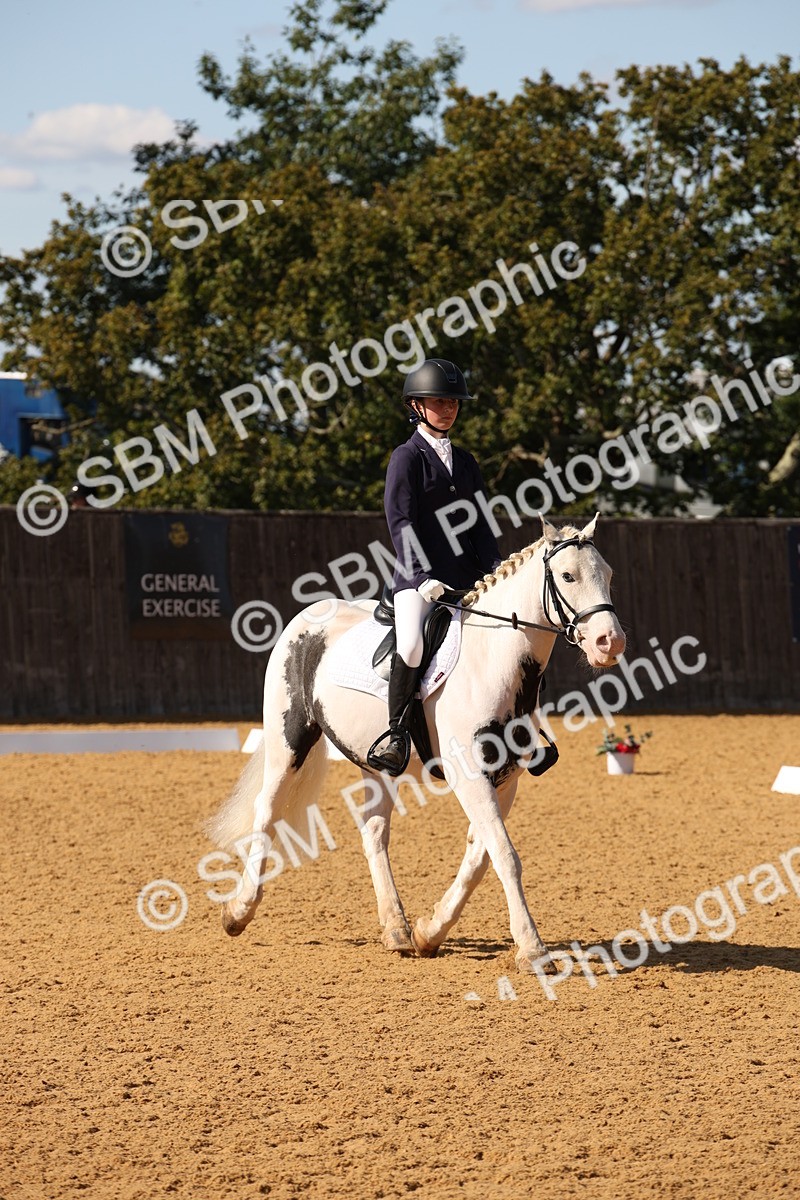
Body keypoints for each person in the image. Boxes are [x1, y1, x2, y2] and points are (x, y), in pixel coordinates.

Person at [366, 358, 502, 776]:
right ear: (416, 406)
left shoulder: (465, 462)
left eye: (454, 402)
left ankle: (525, 728)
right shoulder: (406, 458)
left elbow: (480, 522)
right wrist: (421, 576)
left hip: (467, 578)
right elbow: (400, 522)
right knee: (411, 645)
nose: (448, 408)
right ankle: (395, 734)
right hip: (417, 580)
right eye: (438, 401)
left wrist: (498, 568)